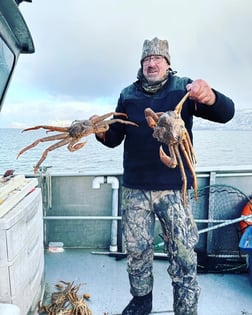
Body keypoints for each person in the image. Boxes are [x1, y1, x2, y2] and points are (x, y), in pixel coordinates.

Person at [94, 37, 235, 315]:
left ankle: (185, 308)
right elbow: (114, 137)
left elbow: (226, 113)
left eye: (158, 58)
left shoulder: (184, 88)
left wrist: (211, 97)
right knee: (137, 252)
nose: (151, 63)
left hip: (175, 188)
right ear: (141, 64)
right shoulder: (127, 95)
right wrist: (100, 132)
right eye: (147, 59)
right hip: (135, 188)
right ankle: (141, 299)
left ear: (168, 63)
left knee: (183, 254)